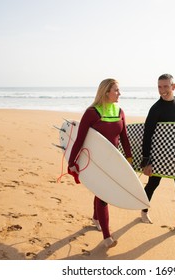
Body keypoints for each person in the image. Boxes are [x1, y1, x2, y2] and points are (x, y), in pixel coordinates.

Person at [68, 78, 133, 248]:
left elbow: (124, 138)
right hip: (96, 162)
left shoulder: (120, 111)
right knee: (103, 194)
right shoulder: (92, 113)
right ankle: (107, 237)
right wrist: (71, 162)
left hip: (113, 161)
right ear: (106, 92)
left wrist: (129, 160)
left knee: (100, 192)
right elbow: (80, 139)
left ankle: (96, 217)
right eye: (116, 90)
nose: (120, 93)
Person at [140, 74, 175, 235]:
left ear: (173, 86)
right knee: (153, 184)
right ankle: (143, 211)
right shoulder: (156, 109)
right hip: (159, 155)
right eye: (159, 87)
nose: (162, 90)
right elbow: (147, 135)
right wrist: (146, 161)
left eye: (166, 86)